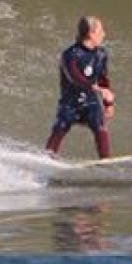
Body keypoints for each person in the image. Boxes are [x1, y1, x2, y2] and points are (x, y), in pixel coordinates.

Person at [45, 15, 115, 160]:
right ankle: (47, 159)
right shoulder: (70, 55)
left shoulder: (101, 55)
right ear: (90, 33)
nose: (104, 34)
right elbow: (74, 77)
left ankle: (107, 162)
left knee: (100, 126)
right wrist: (96, 88)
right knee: (60, 127)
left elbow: (103, 80)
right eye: (100, 31)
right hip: (70, 103)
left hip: (90, 102)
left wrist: (108, 103)